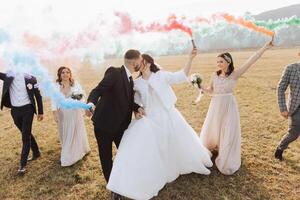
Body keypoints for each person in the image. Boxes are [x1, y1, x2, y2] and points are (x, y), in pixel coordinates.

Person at [107, 49, 213, 200]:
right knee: (149, 145)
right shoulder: (136, 83)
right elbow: (135, 102)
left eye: (142, 62)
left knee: (176, 140)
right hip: (150, 118)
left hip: (168, 114)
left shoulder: (161, 75)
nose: (140, 65)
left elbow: (181, 75)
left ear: (149, 62)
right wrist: (138, 109)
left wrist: (190, 58)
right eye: (138, 63)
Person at [199, 36, 274, 175]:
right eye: (217, 62)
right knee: (214, 126)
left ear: (228, 62)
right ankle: (212, 146)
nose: (218, 64)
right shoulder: (214, 75)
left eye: (221, 61)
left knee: (227, 128)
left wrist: (265, 47)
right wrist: (200, 86)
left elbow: (252, 60)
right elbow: (211, 90)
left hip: (228, 105)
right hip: (215, 105)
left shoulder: (235, 74)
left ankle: (225, 151)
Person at [86, 49, 145, 200]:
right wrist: (91, 103)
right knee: (106, 158)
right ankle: (114, 189)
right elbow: (97, 90)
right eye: (139, 61)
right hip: (104, 125)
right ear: (134, 62)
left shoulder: (130, 79)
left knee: (124, 153)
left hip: (121, 127)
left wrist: (136, 108)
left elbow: (127, 100)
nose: (141, 64)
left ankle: (125, 179)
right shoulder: (114, 72)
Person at [0, 70, 43, 175]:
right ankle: (36, 152)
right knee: (26, 133)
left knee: (25, 136)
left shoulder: (31, 78)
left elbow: (38, 95)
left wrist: (40, 112)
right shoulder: (8, 76)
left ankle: (22, 166)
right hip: (15, 111)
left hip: (28, 110)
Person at [51, 66, 90, 166]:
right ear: (59, 75)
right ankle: (67, 148)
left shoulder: (75, 84)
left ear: (70, 74)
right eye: (63, 72)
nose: (65, 74)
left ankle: (72, 153)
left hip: (74, 111)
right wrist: (54, 112)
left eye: (67, 72)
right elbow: (54, 100)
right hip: (62, 113)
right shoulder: (56, 86)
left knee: (75, 130)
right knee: (64, 132)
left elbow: (82, 95)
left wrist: (78, 98)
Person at [274, 54, 300, 161]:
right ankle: (280, 149)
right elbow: (280, 89)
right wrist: (283, 108)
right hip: (296, 108)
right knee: (293, 134)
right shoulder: (291, 68)